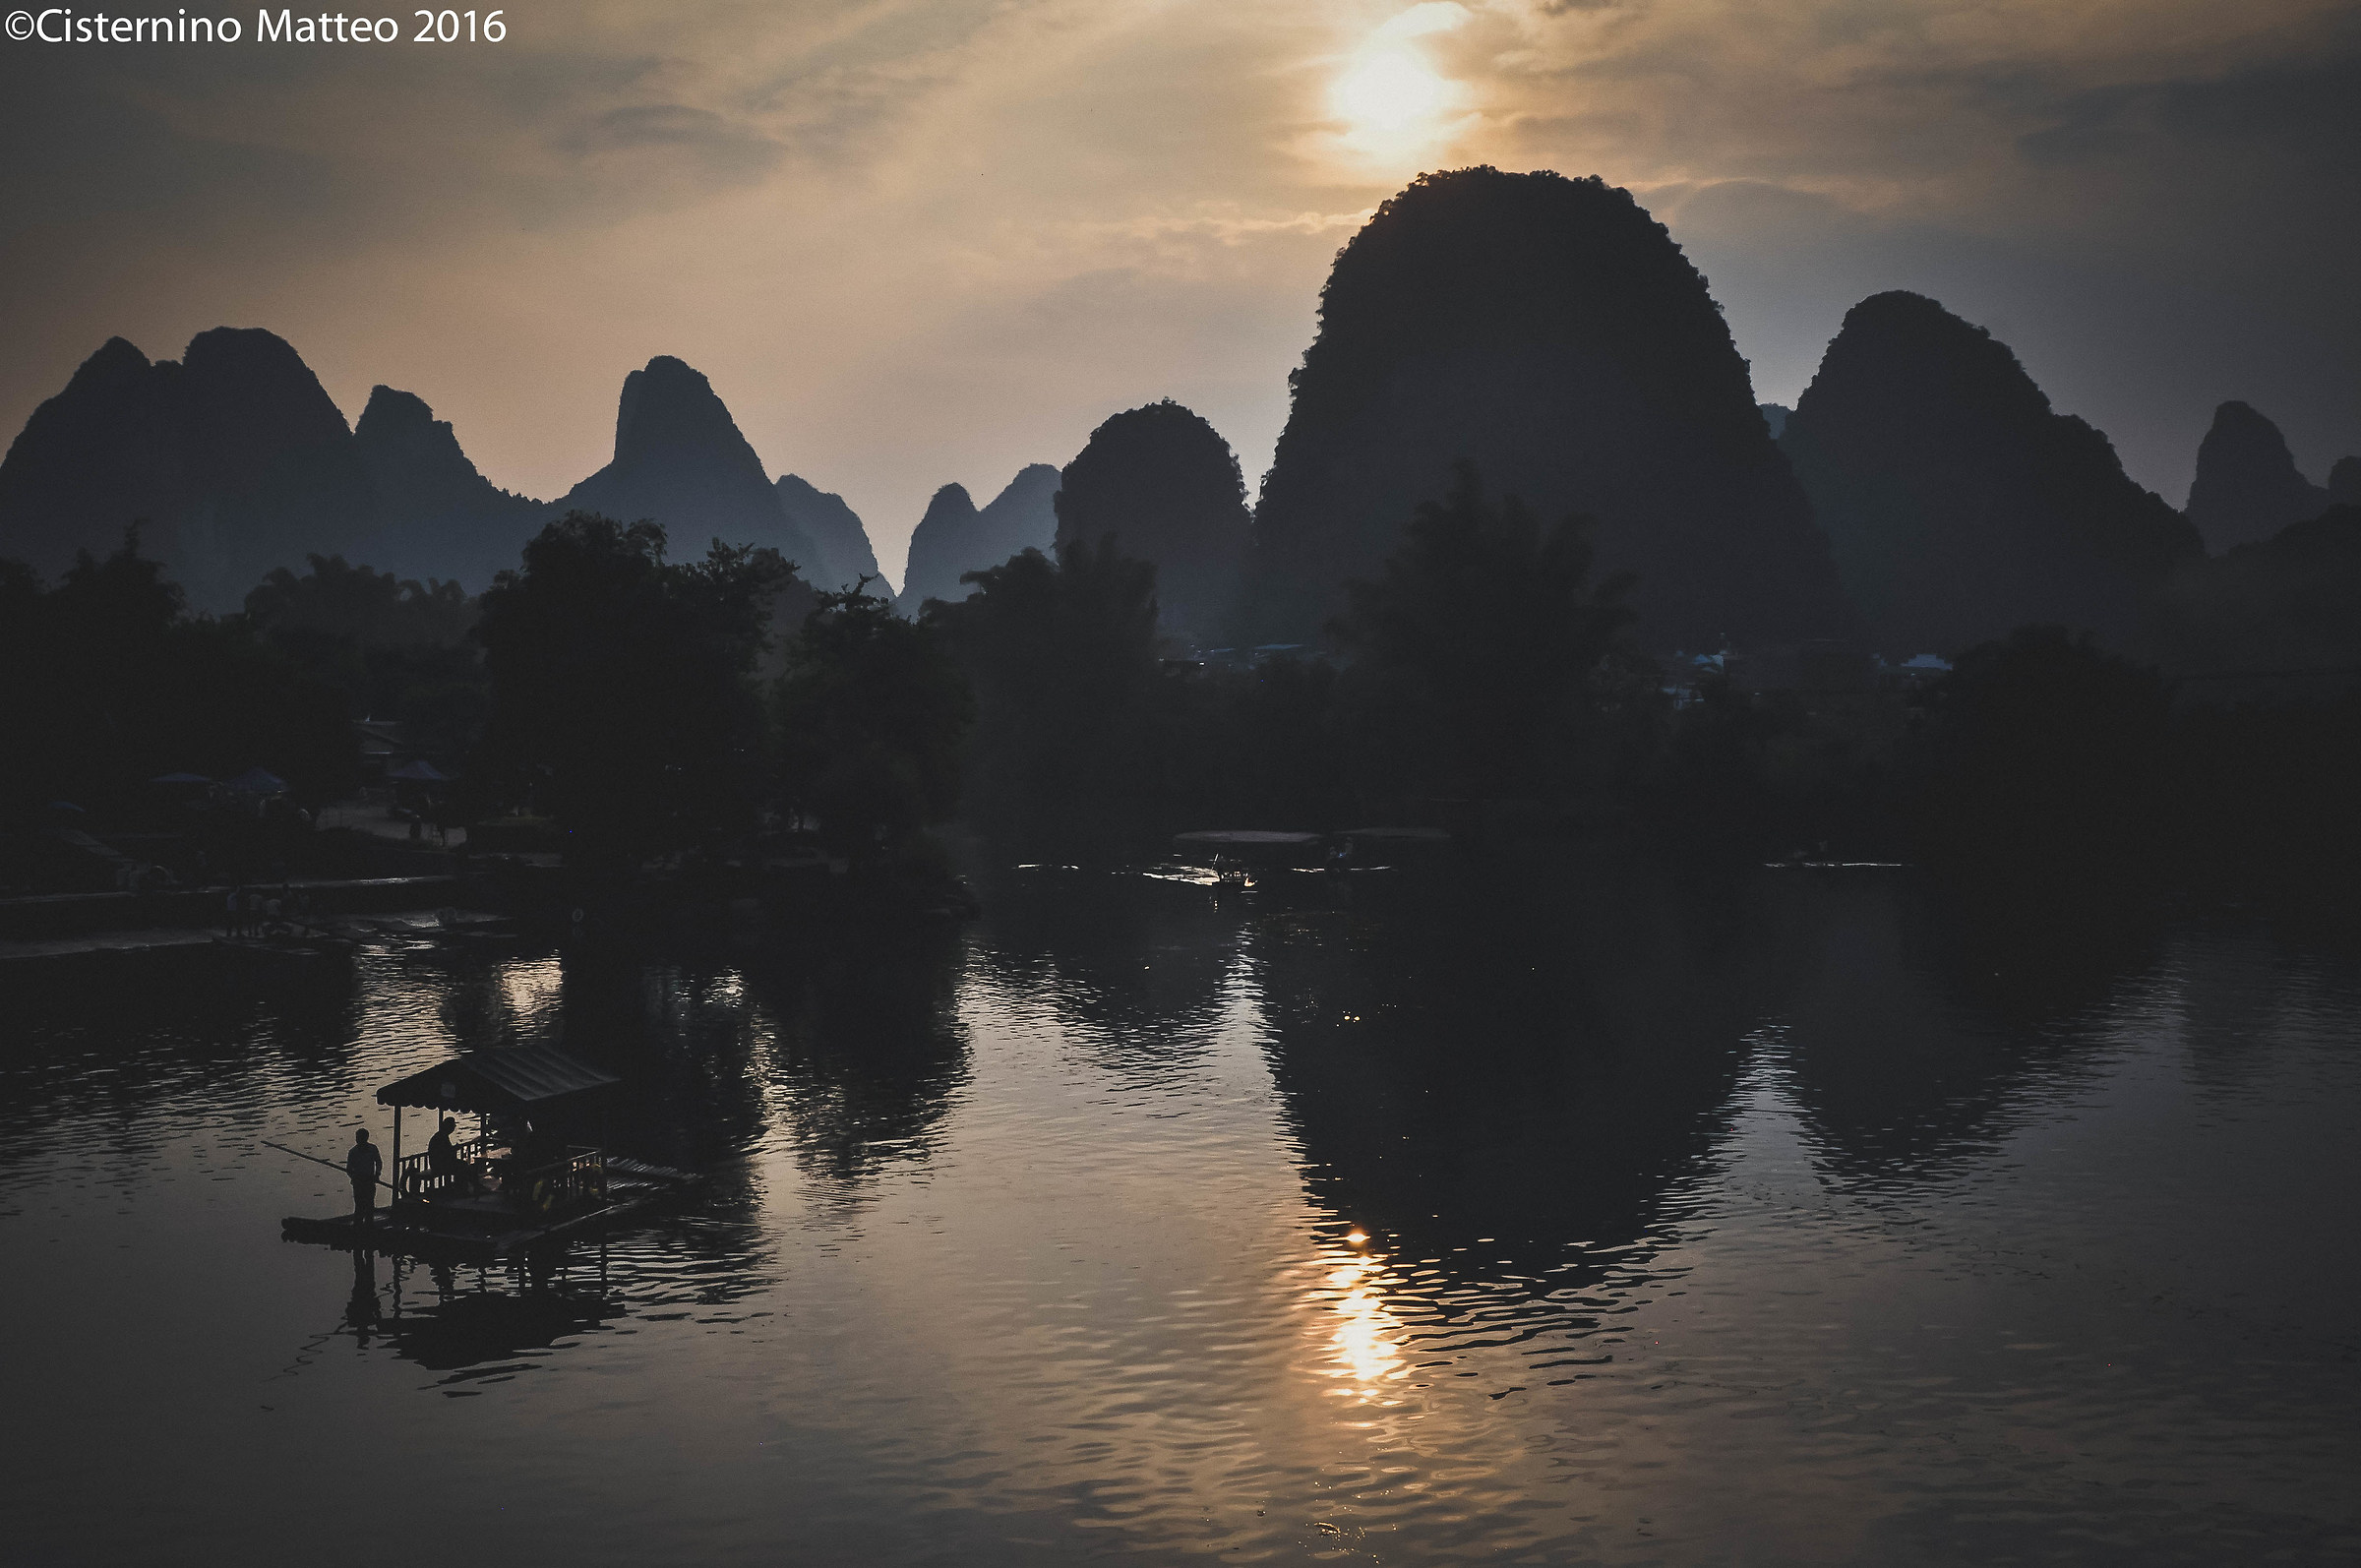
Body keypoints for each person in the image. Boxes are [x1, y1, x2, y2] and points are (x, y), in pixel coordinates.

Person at [426, 1116, 475, 1196]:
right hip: (439, 1165)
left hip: (440, 1163)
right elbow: (444, 1152)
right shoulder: (440, 1137)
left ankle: (461, 1187)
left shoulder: (441, 1136)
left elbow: (445, 1151)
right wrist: (454, 1148)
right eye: (452, 1126)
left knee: (462, 1165)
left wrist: (453, 1149)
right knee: (462, 1165)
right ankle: (461, 1188)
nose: (453, 1128)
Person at [344, 1126, 381, 1225]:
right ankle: (358, 1226)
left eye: (359, 1137)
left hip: (369, 1181)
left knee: (370, 1205)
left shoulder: (373, 1149)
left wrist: (377, 1174)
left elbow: (378, 1163)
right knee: (359, 1205)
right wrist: (354, 1177)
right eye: (357, 1137)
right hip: (358, 1183)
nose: (357, 1139)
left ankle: (369, 1225)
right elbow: (349, 1169)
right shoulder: (353, 1152)